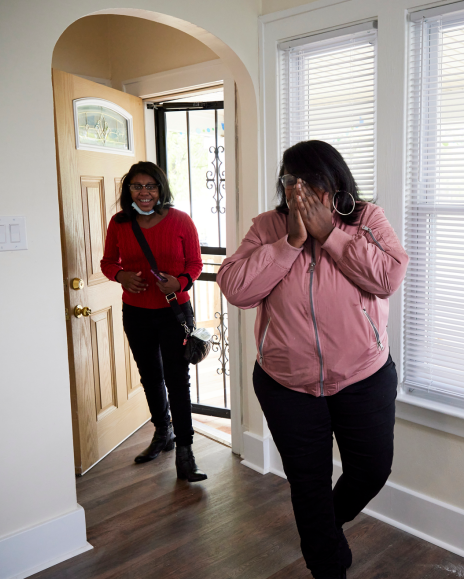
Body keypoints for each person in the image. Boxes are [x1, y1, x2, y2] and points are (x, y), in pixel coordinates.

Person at [217, 141, 409, 578]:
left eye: (312, 182)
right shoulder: (268, 227)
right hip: (286, 384)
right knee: (308, 486)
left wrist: (331, 235)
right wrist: (291, 243)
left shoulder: (364, 219)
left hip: (364, 376)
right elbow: (237, 289)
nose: (300, 192)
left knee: (371, 470)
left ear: (334, 182)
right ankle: (327, 561)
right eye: (290, 182)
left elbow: (387, 277)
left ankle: (323, 527)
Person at [100, 161, 207, 482]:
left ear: (161, 189)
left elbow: (195, 263)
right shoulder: (120, 223)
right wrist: (121, 276)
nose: (144, 193)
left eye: (151, 186)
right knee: (150, 376)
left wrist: (181, 282)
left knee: (178, 380)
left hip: (174, 312)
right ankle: (164, 433)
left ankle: (186, 452)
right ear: (128, 190)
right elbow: (107, 262)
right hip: (136, 312)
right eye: (137, 186)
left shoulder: (180, 220)